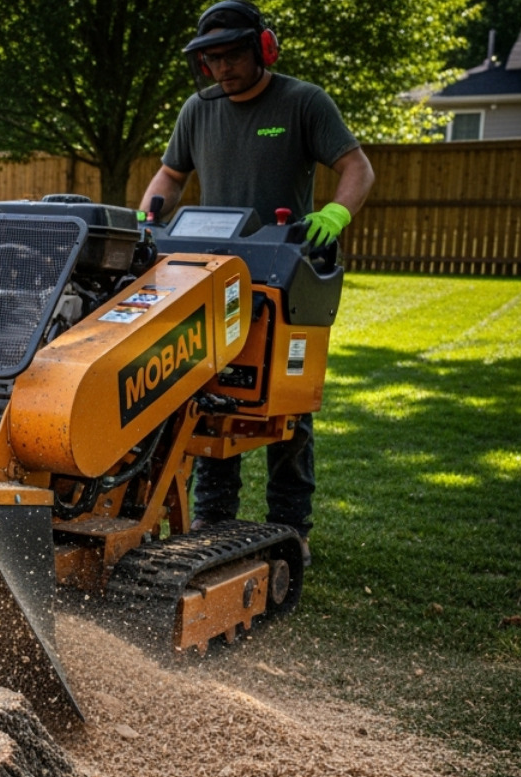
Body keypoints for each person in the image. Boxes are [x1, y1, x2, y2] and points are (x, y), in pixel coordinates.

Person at [140, 0, 374, 564]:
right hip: (209, 274)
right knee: (210, 392)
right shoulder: (198, 110)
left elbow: (356, 167)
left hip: (281, 270)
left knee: (284, 405)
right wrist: (147, 220)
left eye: (232, 55)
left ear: (264, 48)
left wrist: (334, 216)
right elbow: (171, 175)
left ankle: (292, 525)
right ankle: (212, 519)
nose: (222, 68)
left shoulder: (302, 101)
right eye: (211, 58)